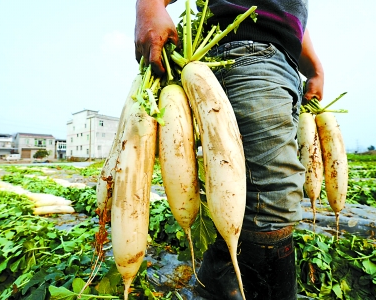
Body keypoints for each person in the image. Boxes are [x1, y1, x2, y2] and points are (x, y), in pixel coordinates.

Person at [135, 0, 324, 299]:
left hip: (283, 63)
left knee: (256, 194)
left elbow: (286, 9)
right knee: (272, 200)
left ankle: (219, 274)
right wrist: (149, 6)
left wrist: (313, 67)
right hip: (246, 51)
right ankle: (227, 277)